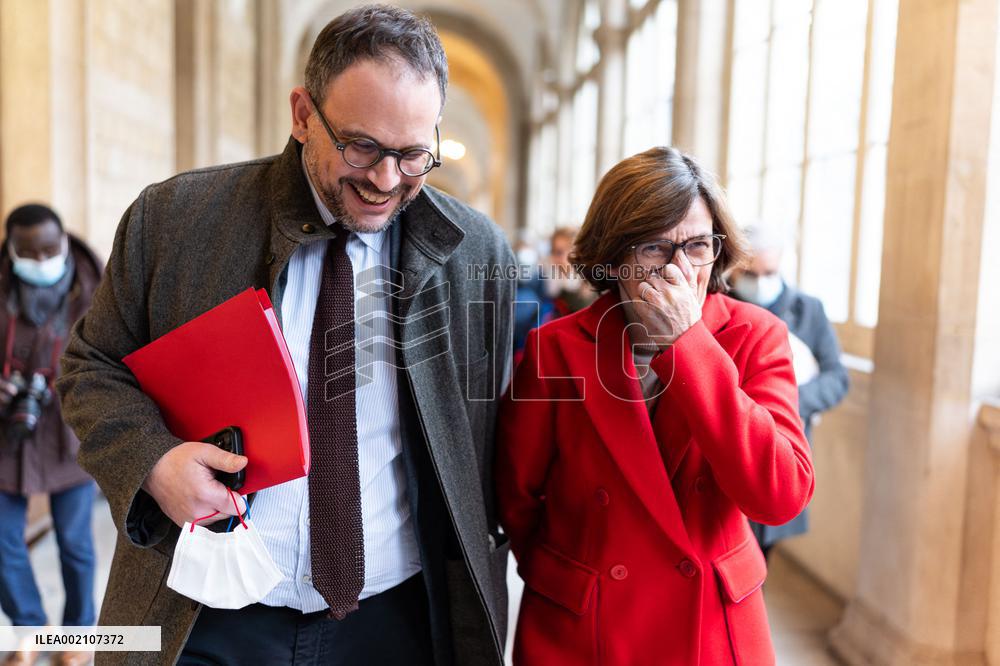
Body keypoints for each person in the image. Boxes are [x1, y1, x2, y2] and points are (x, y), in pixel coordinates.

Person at [56, 5, 515, 665]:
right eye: (361, 147)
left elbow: (491, 439)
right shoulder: (176, 220)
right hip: (207, 614)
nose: (386, 179)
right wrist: (152, 461)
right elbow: (90, 366)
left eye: (414, 154)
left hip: (395, 622)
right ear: (302, 115)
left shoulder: (477, 254)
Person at [495, 147, 815, 665]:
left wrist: (689, 345)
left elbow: (779, 494)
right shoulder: (556, 347)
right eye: (654, 247)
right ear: (613, 255)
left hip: (708, 624)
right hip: (585, 626)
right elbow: (517, 495)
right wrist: (569, 576)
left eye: (697, 246)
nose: (679, 270)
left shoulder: (757, 336)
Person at [0, 204, 103, 666]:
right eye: (28, 253)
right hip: (7, 435)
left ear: (63, 241)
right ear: (11, 249)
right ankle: (29, 628)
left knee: (75, 544)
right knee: (3, 542)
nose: (40, 260)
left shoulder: (97, 289)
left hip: (70, 436)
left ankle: (79, 635)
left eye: (48, 249)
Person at [729, 226, 849, 561]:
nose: (760, 282)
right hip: (731, 446)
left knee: (762, 552)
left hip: (782, 446)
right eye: (750, 274)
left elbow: (837, 378)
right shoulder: (722, 304)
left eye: (768, 273)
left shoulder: (808, 309)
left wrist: (781, 402)